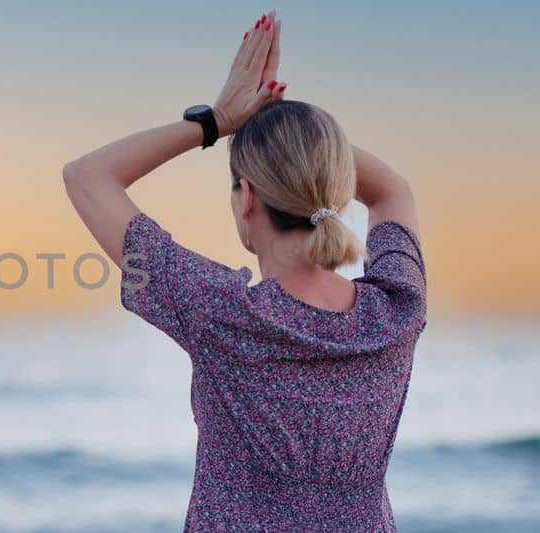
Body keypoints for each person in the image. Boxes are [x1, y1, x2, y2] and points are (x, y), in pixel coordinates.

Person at [61, 11, 425, 531]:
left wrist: (220, 119)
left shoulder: (223, 314)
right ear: (333, 185)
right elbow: (393, 191)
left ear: (247, 197)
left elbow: (86, 177)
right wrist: (296, 137)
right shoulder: (396, 311)